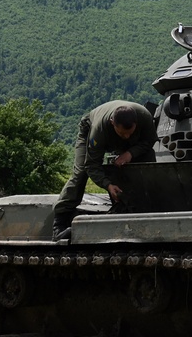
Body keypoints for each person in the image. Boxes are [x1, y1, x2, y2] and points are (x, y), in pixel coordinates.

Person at [52, 100, 157, 239]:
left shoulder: (145, 116)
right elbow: (92, 165)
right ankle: (59, 225)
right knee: (81, 173)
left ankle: (145, 211)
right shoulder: (98, 130)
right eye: (122, 134)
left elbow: (149, 141)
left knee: (147, 164)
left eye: (129, 133)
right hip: (89, 131)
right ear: (113, 123)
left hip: (131, 143)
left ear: (136, 124)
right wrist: (108, 185)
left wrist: (130, 153)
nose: (126, 136)